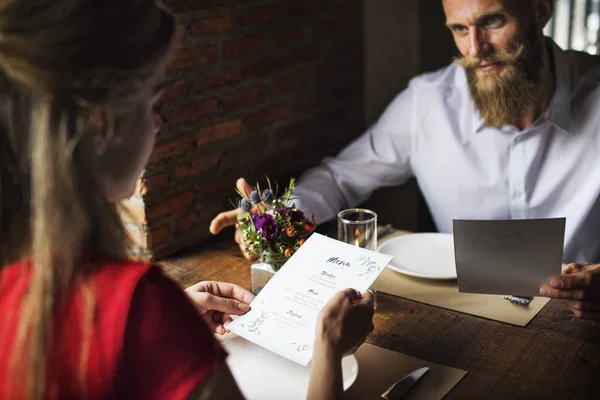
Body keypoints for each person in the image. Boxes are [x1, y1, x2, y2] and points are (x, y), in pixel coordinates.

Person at [0, 1, 375, 399]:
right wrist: (329, 347)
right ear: (103, 124)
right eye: (152, 103)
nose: (157, 124)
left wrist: (166, 328)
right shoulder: (141, 302)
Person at [210, 0, 600, 320]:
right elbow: (340, 177)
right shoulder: (427, 102)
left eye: (493, 21)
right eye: (460, 29)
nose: (475, 49)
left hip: (580, 321)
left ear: (542, 9)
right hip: (461, 318)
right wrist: (279, 217)